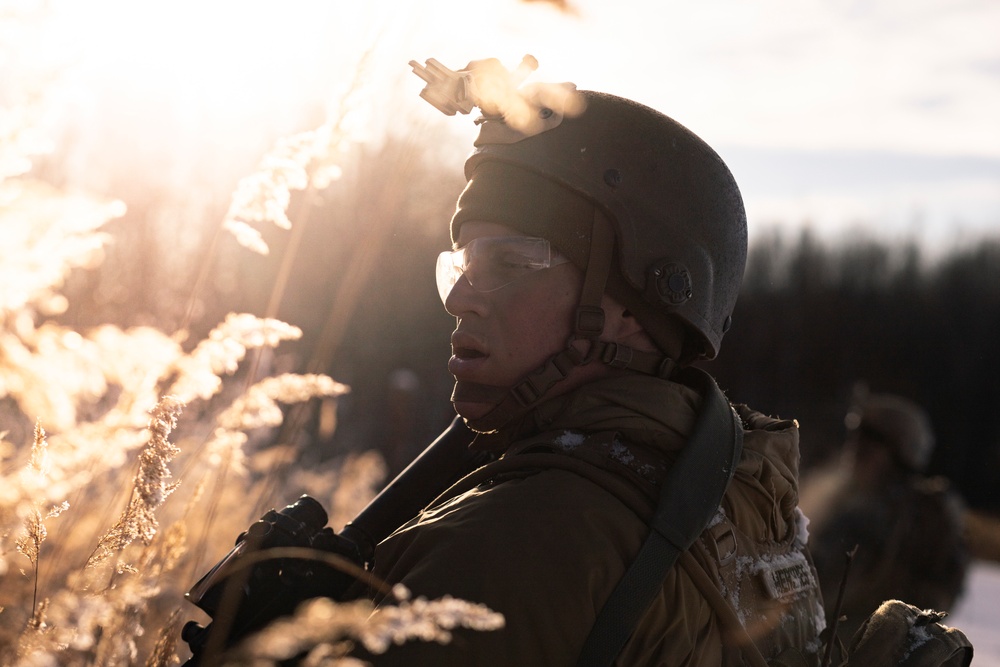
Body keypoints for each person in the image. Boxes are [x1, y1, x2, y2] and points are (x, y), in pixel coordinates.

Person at [351, 59, 826, 666]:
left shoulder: (501, 550)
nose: (463, 298)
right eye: (463, 267)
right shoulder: (747, 493)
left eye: (511, 265)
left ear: (633, 308)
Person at [801, 388, 970, 646]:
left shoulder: (917, 515)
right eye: (856, 439)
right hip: (814, 639)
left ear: (898, 452)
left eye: (869, 442)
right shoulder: (841, 498)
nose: (856, 450)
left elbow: (937, 593)